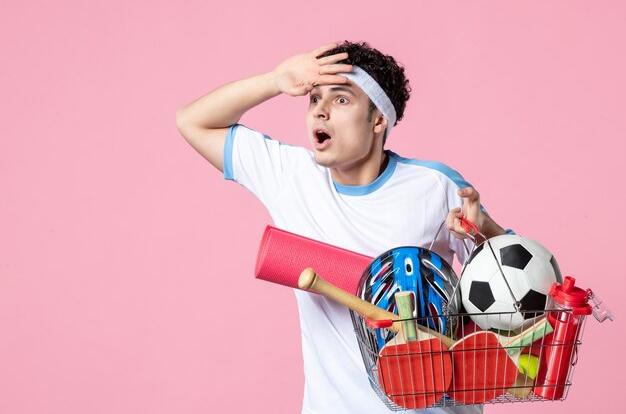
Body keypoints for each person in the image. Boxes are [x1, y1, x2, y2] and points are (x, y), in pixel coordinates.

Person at [176, 41, 508, 414]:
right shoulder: (291, 177)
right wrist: (274, 80)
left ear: (378, 120)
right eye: (314, 98)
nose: (320, 110)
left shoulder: (433, 187)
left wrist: (484, 229)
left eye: (341, 100)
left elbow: (522, 281)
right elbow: (192, 120)